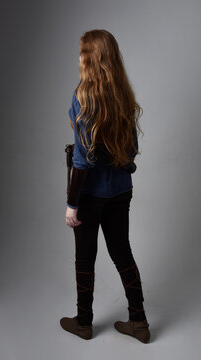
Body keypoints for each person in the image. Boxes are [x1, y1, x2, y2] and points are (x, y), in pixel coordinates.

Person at [60, 29, 151, 343]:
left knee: (85, 258)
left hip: (90, 193)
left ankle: (84, 323)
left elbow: (83, 160)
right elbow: (131, 150)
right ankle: (139, 322)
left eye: (82, 52)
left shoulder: (82, 96)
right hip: (121, 189)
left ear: (91, 57)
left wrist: (72, 205)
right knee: (122, 252)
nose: (79, 58)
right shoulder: (123, 94)